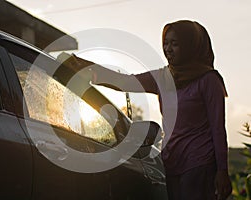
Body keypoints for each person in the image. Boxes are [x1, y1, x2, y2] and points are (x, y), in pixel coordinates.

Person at [58, 20, 232, 200]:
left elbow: (218, 129)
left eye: (175, 44)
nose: (168, 49)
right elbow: (124, 81)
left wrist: (222, 170)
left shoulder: (209, 80)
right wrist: (81, 66)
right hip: (172, 161)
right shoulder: (164, 77)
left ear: (191, 46)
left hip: (199, 162)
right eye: (166, 43)